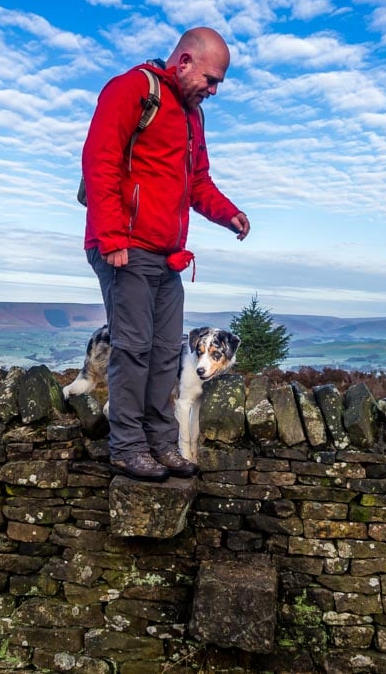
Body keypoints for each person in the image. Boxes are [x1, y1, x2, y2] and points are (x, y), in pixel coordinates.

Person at [80, 27, 250, 482]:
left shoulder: (192, 116)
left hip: (167, 256)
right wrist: (113, 237)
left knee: (162, 353)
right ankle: (127, 447)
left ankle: (160, 442)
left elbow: (198, 184)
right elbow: (99, 161)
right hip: (124, 249)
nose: (213, 91)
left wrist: (228, 213)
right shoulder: (132, 89)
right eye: (211, 80)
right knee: (133, 350)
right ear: (185, 60)